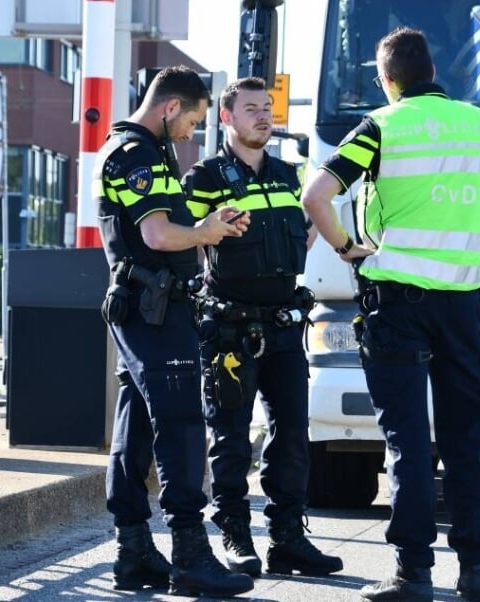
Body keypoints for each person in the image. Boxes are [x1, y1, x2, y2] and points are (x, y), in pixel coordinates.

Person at [301, 28, 480, 602]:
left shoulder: (381, 125)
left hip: (397, 302)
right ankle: (475, 570)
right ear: (434, 71)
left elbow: (316, 195)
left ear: (388, 78)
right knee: (465, 439)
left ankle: (412, 571)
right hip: (465, 304)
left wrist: (347, 248)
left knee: (408, 441)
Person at [94, 65, 254, 598]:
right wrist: (207, 231)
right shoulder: (134, 153)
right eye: (192, 120)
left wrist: (210, 226)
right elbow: (158, 235)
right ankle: (189, 552)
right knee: (182, 422)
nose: (191, 132)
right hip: (153, 309)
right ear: (169, 108)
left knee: (136, 425)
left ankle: (133, 549)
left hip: (149, 306)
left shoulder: (147, 150)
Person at [182, 76, 343, 580]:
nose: (263, 116)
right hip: (229, 332)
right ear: (227, 118)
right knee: (229, 438)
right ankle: (235, 534)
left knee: (292, 433)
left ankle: (289, 539)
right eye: (251, 108)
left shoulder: (289, 174)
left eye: (267, 108)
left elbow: (307, 227)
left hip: (283, 327)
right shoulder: (206, 177)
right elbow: (185, 241)